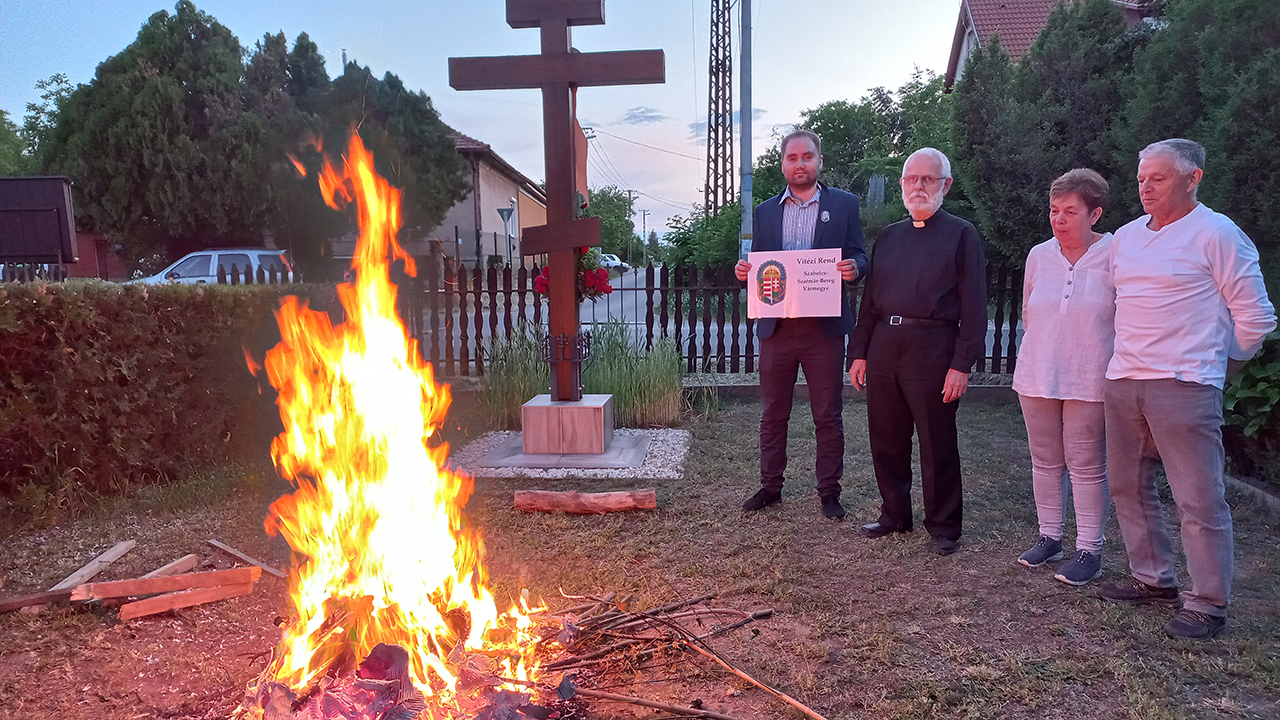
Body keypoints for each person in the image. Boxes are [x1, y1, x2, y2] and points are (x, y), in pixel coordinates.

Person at [1096, 139, 1275, 639]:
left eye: (1158, 178)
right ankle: (1153, 578)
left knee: (1198, 498)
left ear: (1193, 178)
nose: (1145, 187)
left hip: (1185, 383)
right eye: (1141, 178)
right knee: (1127, 485)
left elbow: (1256, 318)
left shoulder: (1218, 234)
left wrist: (1218, 369)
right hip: (1124, 378)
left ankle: (1208, 602)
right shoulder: (1127, 238)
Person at [849, 148, 986, 555]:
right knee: (886, 436)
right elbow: (869, 302)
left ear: (945, 184)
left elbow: (975, 307)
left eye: (928, 179)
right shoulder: (889, 236)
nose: (919, 186)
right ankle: (895, 513)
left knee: (936, 439)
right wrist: (859, 353)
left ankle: (944, 526)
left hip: (933, 347)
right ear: (903, 184)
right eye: (912, 179)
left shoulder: (962, 235)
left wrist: (961, 364)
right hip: (885, 346)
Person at [735, 129, 867, 520]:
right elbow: (758, 263)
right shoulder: (765, 211)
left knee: (827, 413)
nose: (800, 164)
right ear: (782, 165)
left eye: (807, 157)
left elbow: (860, 254)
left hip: (822, 331)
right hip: (777, 328)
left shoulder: (844, 205)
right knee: (774, 412)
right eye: (792, 158)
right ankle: (770, 486)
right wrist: (744, 271)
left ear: (819, 161)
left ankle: (829, 491)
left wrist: (854, 267)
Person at [1011, 169, 1115, 585]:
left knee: (1087, 463)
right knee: (1045, 459)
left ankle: (1090, 549)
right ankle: (1049, 535)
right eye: (1054, 210)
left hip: (1090, 374)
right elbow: (1027, 310)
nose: (1059, 219)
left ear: (1095, 214)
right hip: (1038, 372)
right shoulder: (1039, 255)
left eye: (1070, 211)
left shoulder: (1114, 254)